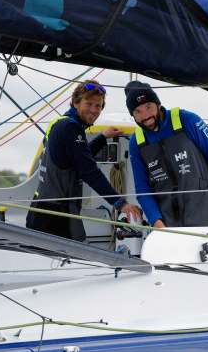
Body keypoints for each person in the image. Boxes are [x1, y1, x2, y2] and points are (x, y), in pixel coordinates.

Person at [26, 81, 142, 241]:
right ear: (75, 103)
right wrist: (120, 204)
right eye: (89, 104)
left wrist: (102, 137)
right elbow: (89, 171)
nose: (93, 110)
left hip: (41, 210)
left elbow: (79, 157)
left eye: (98, 106)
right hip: (56, 217)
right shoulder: (71, 128)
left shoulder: (60, 123)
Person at [126, 81, 208, 228]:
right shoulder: (136, 142)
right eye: (138, 112)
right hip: (166, 220)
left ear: (158, 105)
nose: (146, 116)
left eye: (148, 107)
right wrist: (156, 221)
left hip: (203, 212)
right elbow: (142, 188)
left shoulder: (187, 120)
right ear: (133, 115)